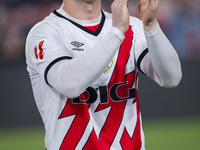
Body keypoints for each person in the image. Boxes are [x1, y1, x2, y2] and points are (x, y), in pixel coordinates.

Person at [25, 0, 182, 149]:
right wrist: (117, 32)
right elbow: (69, 84)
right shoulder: (44, 33)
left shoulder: (132, 26)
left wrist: (151, 27)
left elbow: (172, 78)